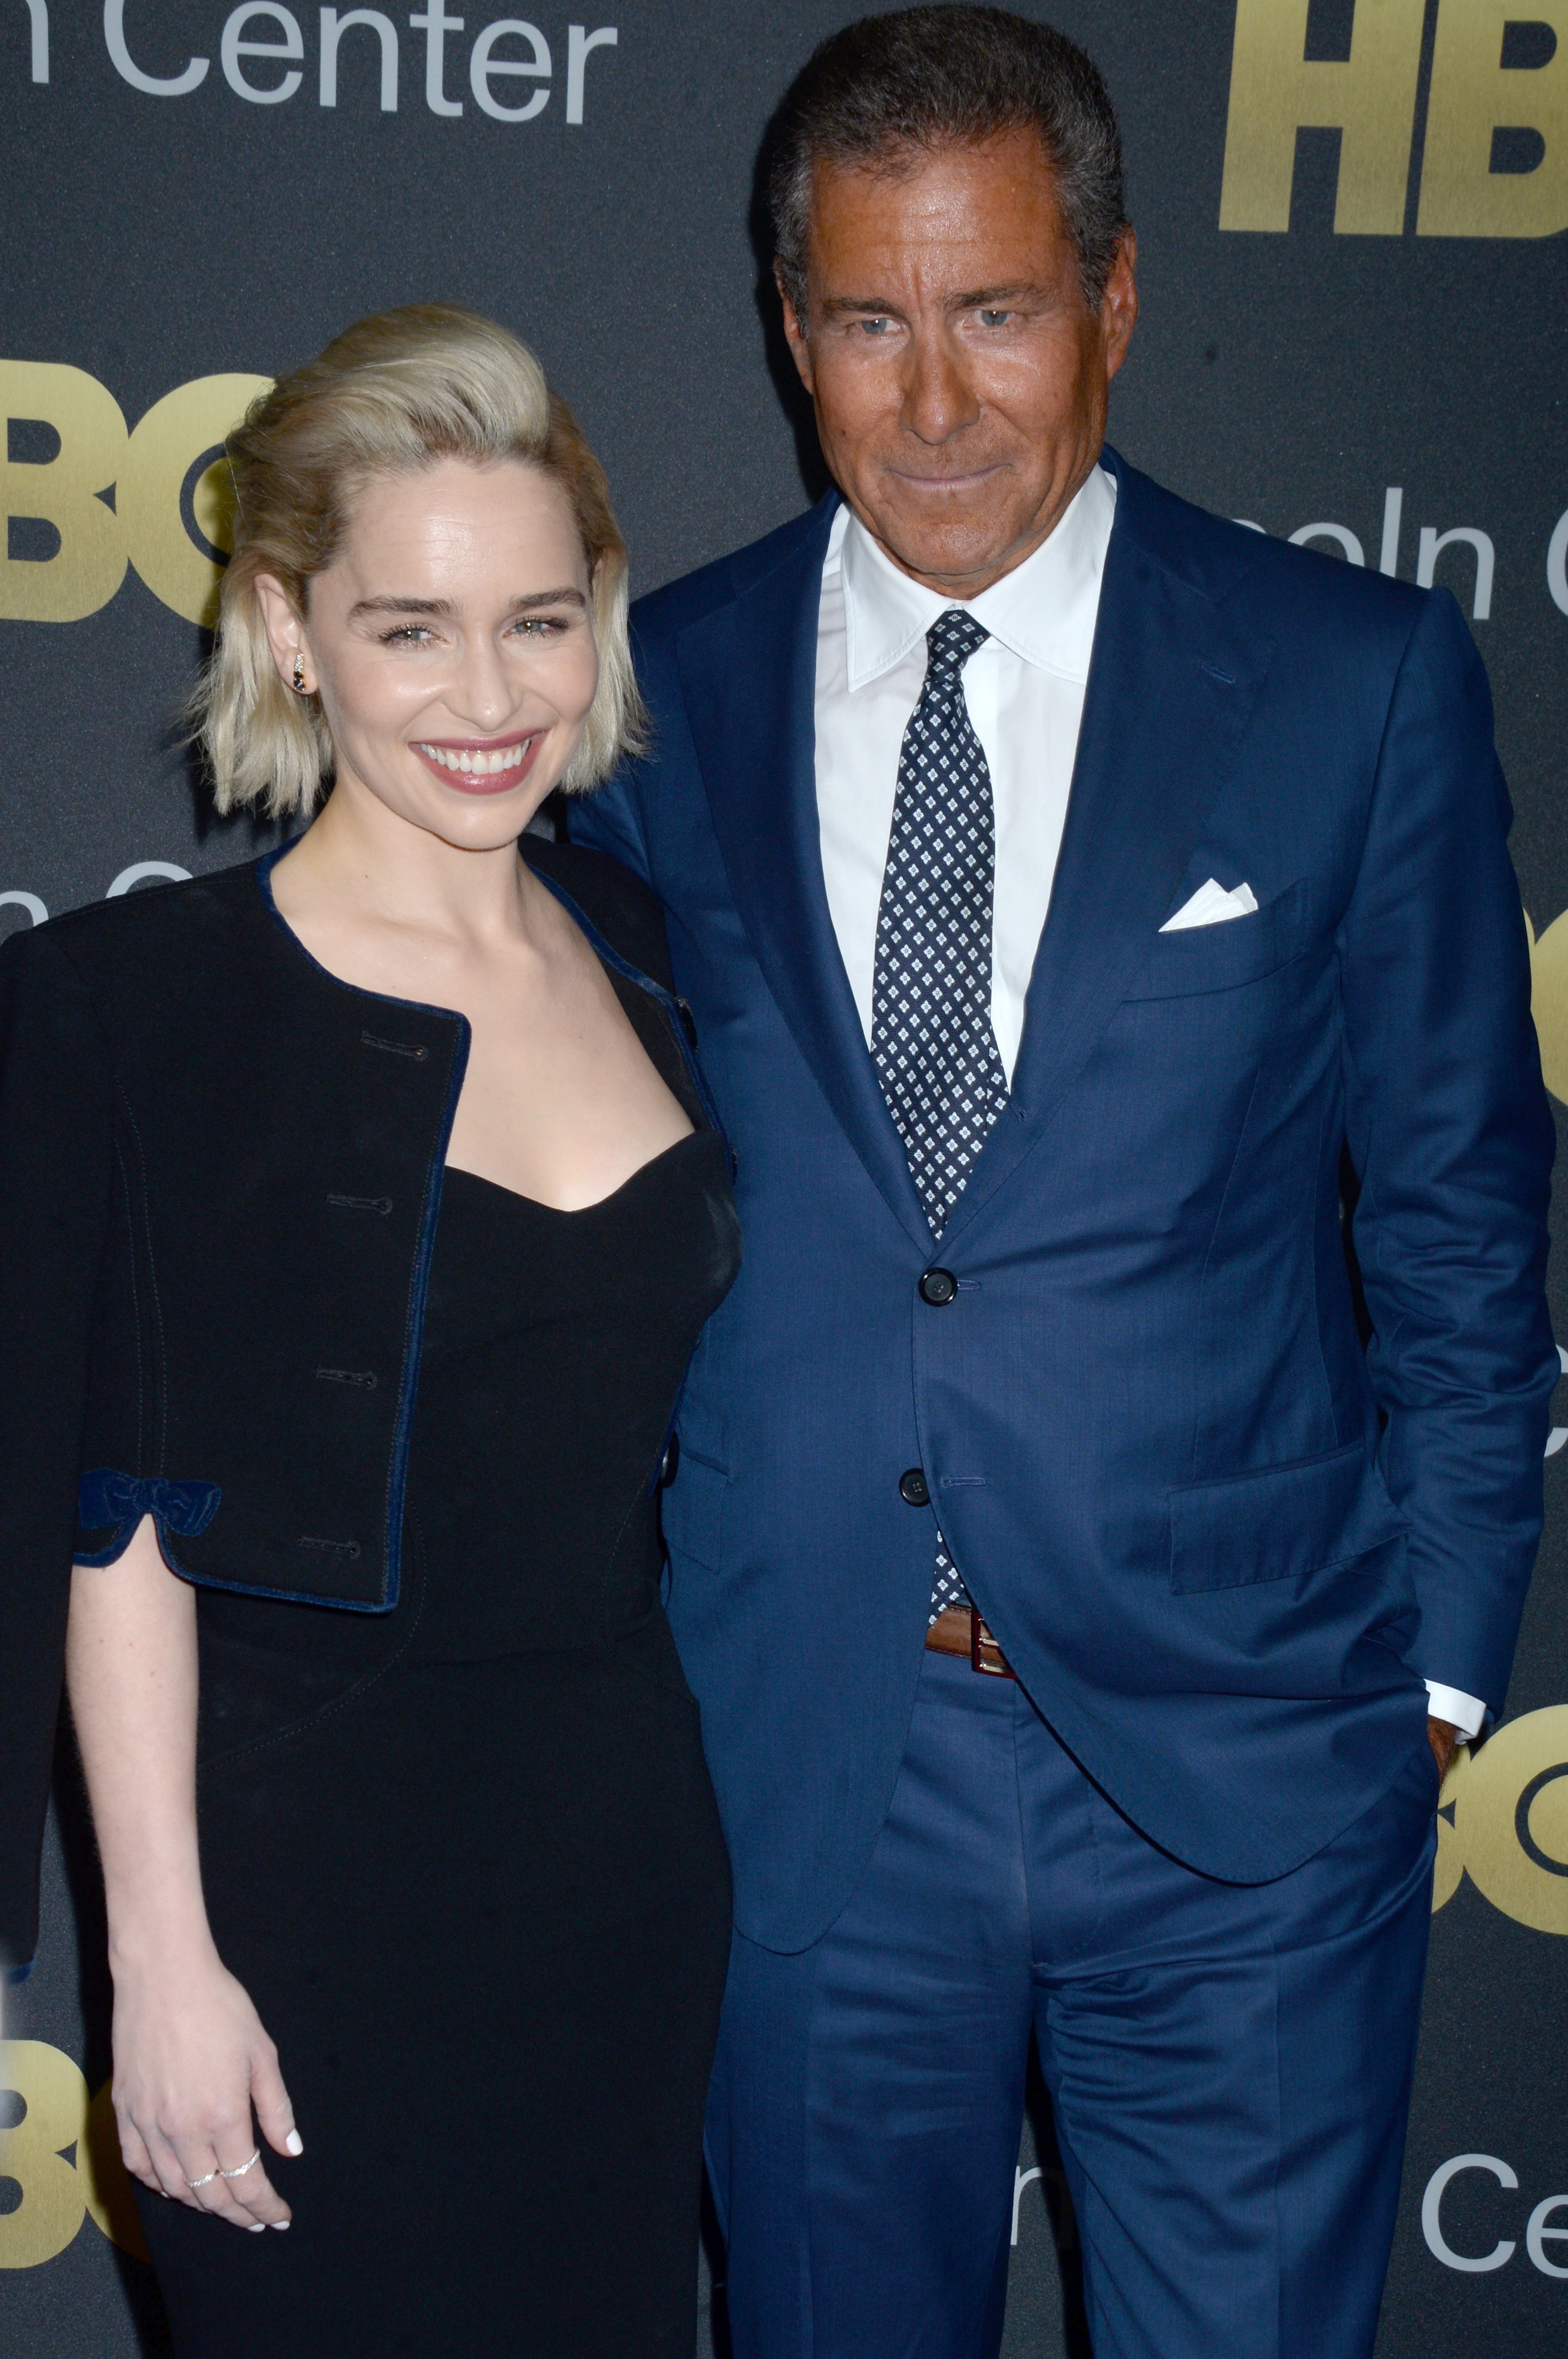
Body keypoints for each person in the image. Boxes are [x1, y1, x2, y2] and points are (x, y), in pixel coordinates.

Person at [569, 11, 1556, 2356]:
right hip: (807, 1769)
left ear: (1114, 298)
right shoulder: (647, 700)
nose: (934, 404)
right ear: (789, 328)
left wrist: (1424, 1691)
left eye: (998, 311)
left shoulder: (1350, 680)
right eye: (869, 322)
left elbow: (1461, 1217)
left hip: (1247, 1778)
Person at [0, 304, 736, 2357]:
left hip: (625, 1886)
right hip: (301, 1912)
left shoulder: (652, 950)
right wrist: (162, 1961)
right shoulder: (132, 1006)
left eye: (538, 621)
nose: (488, 699)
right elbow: (116, 1526)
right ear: (290, 628)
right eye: (411, 629)